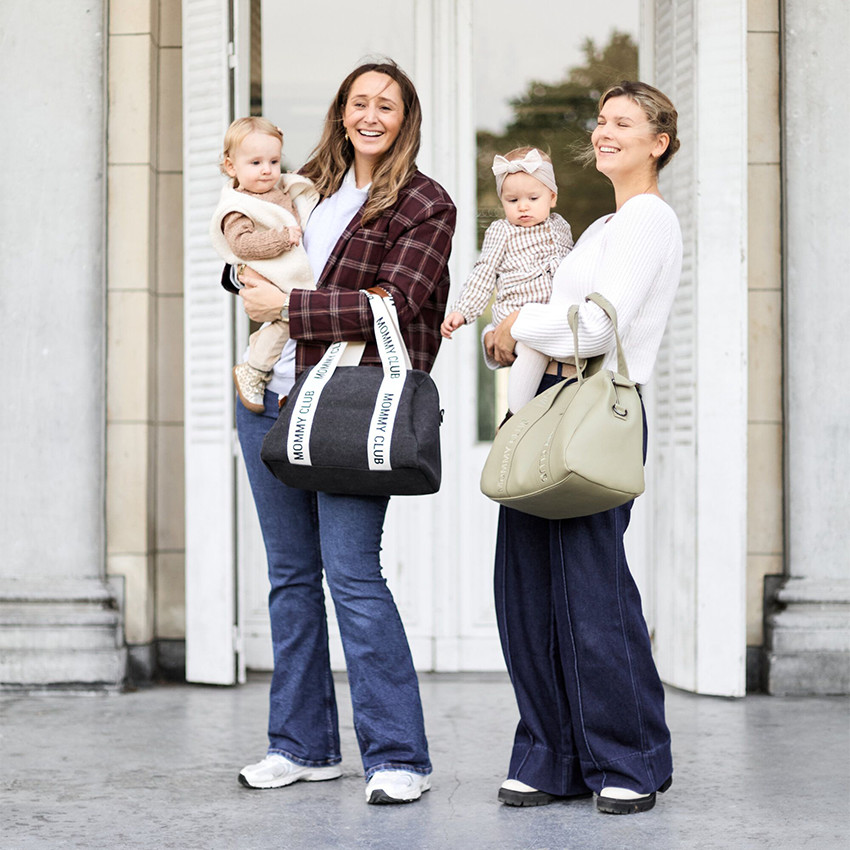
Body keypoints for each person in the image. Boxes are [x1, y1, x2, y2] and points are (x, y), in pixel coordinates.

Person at [227, 60, 456, 805]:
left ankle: (398, 758)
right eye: (359, 101)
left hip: (351, 408)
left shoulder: (425, 203)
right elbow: (243, 248)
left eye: (385, 105)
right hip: (270, 399)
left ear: (405, 118)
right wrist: (240, 280)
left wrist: (288, 307)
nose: (370, 114)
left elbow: (395, 301)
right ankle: (301, 745)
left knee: (353, 578)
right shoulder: (305, 185)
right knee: (291, 580)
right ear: (341, 110)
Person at [485, 81, 683, 815]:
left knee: (589, 589)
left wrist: (518, 324)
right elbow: (536, 321)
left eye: (623, 122)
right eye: (601, 120)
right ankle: (550, 754)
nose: (605, 132)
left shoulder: (648, 220)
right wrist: (505, 340)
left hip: (595, 411)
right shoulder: (598, 229)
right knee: (526, 591)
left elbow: (596, 333)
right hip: (547, 409)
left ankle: (629, 758)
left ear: (658, 141)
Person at [440, 147, 573, 415]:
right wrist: (462, 311)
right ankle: (517, 415)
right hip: (518, 316)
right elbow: (484, 272)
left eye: (533, 198)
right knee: (530, 354)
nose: (523, 206)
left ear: (552, 197)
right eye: (512, 201)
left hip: (553, 317)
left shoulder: (561, 226)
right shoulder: (502, 231)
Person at [210, 117, 318, 413]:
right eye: (255, 163)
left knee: (284, 317)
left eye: (273, 160)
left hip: (283, 276)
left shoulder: (279, 187)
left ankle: (257, 357)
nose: (267, 170)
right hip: (270, 273)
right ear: (232, 167)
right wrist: (282, 238)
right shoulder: (238, 206)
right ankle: (254, 369)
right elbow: (242, 244)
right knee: (286, 319)